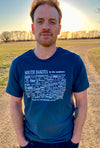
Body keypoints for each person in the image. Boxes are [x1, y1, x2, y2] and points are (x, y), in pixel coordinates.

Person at [6, 0, 89, 148]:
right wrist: (21, 140)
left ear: (59, 28)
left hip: (66, 142)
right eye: (40, 21)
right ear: (32, 27)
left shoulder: (74, 62)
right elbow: (14, 103)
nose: (45, 26)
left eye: (52, 21)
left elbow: (82, 102)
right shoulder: (18, 64)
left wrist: (75, 139)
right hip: (31, 142)